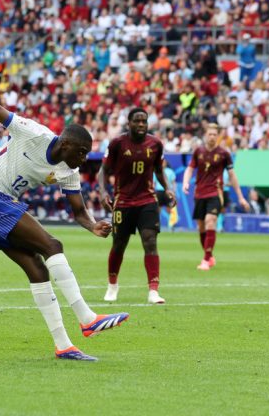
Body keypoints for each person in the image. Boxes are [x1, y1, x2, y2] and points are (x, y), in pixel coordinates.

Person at [0, 63, 128, 362]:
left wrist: (92, 226)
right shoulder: (32, 133)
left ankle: (64, 346)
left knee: (37, 269)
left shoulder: (68, 171)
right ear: (65, 144)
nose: (84, 158)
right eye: (81, 152)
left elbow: (78, 211)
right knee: (52, 246)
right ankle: (87, 318)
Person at [98, 108, 176, 304]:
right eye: (137, 121)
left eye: (144, 121)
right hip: (123, 201)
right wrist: (103, 192)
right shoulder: (117, 143)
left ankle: (153, 291)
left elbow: (159, 170)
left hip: (147, 201)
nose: (141, 124)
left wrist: (167, 188)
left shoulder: (156, 144)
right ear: (129, 123)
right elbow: (103, 171)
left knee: (150, 242)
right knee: (119, 244)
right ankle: (112, 286)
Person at [182, 124, 249, 270]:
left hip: (215, 192)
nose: (212, 137)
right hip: (199, 193)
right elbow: (190, 169)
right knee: (201, 227)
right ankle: (210, 257)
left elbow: (232, 175)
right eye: (210, 134)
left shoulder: (224, 153)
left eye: (214, 134)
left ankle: (205, 260)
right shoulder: (198, 151)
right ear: (205, 135)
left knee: (210, 221)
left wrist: (241, 197)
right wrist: (186, 182)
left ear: (218, 136)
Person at [154, 158, 179, 231]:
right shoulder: (157, 171)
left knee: (170, 209)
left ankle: (172, 224)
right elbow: (154, 182)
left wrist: (174, 190)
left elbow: (174, 182)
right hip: (159, 191)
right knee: (157, 209)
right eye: (161, 162)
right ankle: (156, 225)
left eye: (164, 162)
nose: (163, 164)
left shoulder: (170, 171)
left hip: (168, 192)